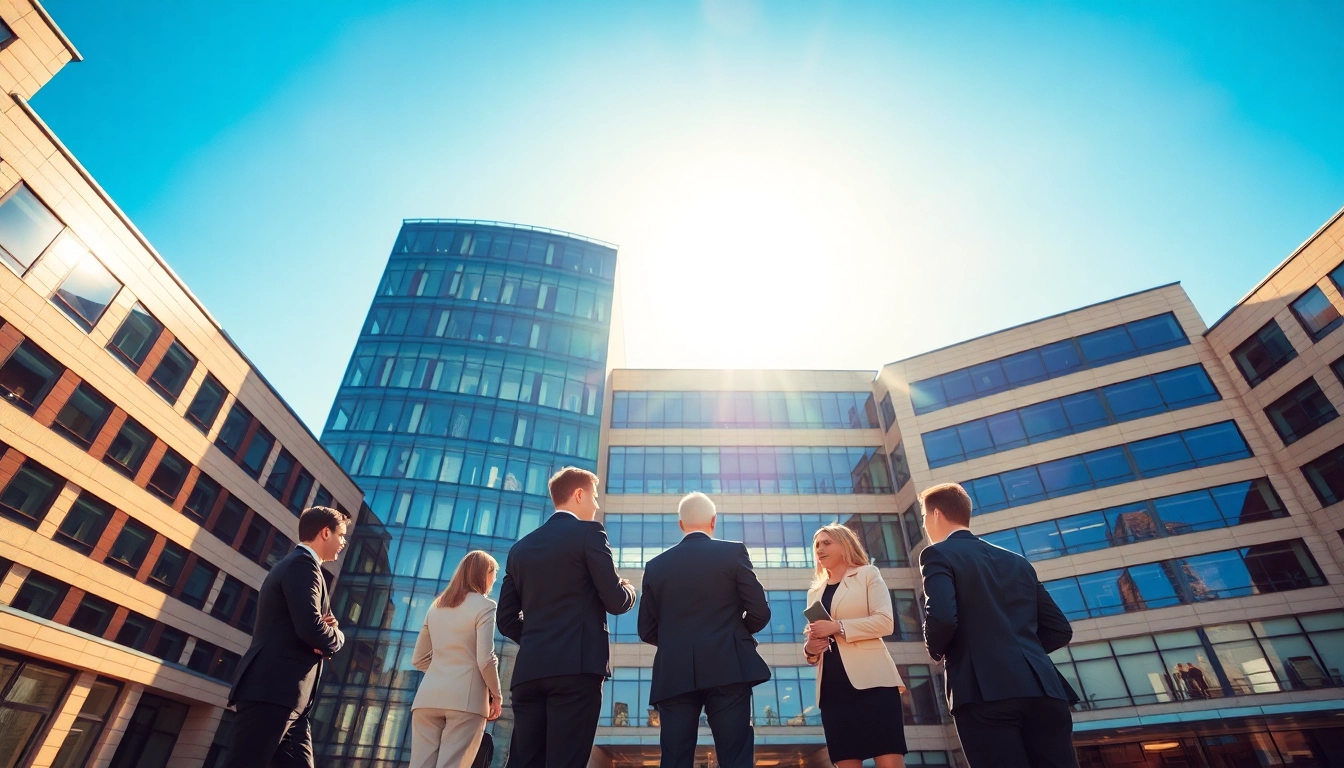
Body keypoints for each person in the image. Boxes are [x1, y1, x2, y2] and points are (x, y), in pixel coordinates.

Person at [918, 483, 1079, 768]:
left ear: (937, 515)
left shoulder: (937, 554)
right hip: (1045, 691)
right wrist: (1019, 652)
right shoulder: (1017, 561)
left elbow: (942, 616)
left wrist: (937, 649)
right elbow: (1059, 629)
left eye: (924, 516)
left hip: (984, 692)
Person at [498, 467, 636, 768]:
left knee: (523, 762)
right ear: (578, 494)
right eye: (594, 497)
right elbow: (614, 600)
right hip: (577, 669)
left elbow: (506, 619)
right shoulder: (591, 534)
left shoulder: (519, 549)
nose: (597, 505)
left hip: (530, 672)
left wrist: (538, 637)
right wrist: (630, 591)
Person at [637, 492, 772, 768]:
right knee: (736, 758)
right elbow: (760, 611)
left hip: (674, 671)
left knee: (675, 758)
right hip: (728, 666)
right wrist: (734, 635)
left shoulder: (655, 566)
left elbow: (645, 629)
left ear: (680, 524)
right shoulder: (733, 553)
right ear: (714, 521)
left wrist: (677, 642)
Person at [226, 506, 349, 768]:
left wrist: (320, 635)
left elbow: (308, 627)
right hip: (273, 691)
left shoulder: (300, 566)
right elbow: (311, 628)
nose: (343, 542)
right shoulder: (303, 566)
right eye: (341, 535)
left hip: (290, 700)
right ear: (325, 532)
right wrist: (336, 637)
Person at [802, 524, 907, 768]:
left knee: (889, 760)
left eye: (827, 543)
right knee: (846, 761)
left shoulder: (868, 574)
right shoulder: (814, 592)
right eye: (817, 545)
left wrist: (838, 627)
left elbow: (885, 622)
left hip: (874, 683)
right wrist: (810, 648)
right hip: (832, 689)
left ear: (845, 545)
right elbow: (813, 642)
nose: (820, 549)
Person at [410, 550, 504, 768]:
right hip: (466, 701)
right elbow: (486, 659)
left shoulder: (437, 606)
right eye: (493, 574)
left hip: (427, 699)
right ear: (483, 574)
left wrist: (442, 670)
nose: (494, 580)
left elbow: (418, 659)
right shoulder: (485, 605)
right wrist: (496, 696)